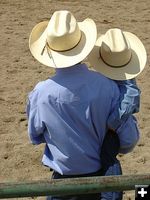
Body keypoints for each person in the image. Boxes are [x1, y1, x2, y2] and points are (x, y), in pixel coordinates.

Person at [26, 11, 146, 200]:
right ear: (82, 44)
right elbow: (127, 142)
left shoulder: (40, 93)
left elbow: (35, 134)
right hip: (99, 180)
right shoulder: (107, 87)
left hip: (62, 181)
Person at [88, 28, 147, 200]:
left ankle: (112, 195)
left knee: (108, 155)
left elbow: (131, 98)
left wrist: (112, 123)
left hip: (115, 128)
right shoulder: (126, 77)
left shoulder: (126, 84)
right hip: (115, 124)